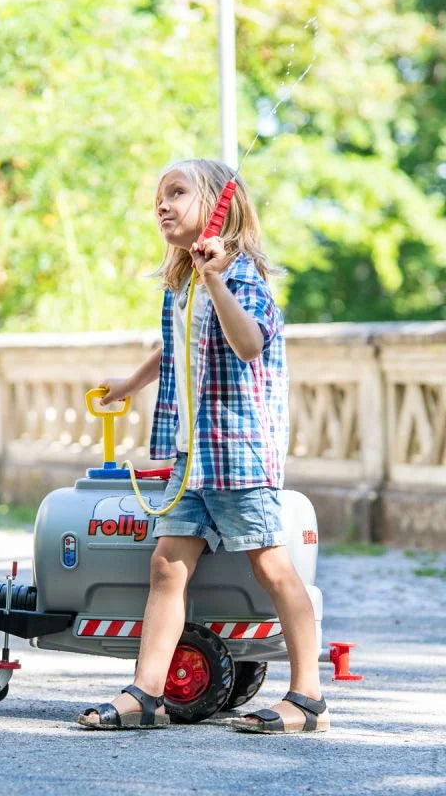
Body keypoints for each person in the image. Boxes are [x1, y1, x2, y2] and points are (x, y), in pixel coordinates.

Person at [77, 158, 328, 734]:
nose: (161, 206)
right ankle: (146, 694)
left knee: (273, 568)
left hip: (238, 455)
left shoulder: (243, 281)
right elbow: (176, 347)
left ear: (218, 206)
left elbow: (246, 344)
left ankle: (310, 699)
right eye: (157, 198)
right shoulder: (182, 285)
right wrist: (129, 384)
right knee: (166, 566)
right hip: (191, 458)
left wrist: (216, 279)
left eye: (176, 193)